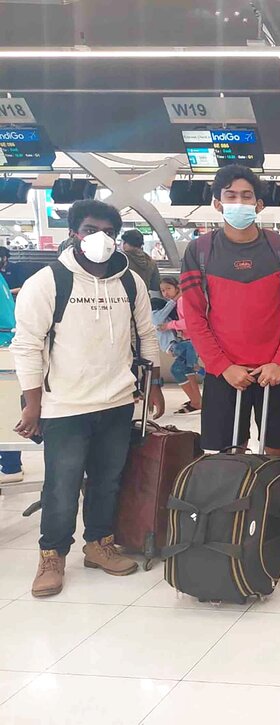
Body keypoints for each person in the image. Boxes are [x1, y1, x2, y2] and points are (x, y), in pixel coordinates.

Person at [11, 199, 165, 597]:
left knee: (107, 481)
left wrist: (154, 385)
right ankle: (52, 555)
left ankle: (99, 543)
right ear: (73, 234)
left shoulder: (130, 282)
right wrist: (32, 403)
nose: (101, 239)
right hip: (64, 404)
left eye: (109, 232)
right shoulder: (48, 281)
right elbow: (26, 345)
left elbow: (146, 335)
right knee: (61, 486)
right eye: (91, 230)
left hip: (117, 400)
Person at [179, 165, 280, 563]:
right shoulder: (200, 251)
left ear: (260, 203)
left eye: (246, 196)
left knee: (276, 451)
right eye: (230, 196)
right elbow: (194, 316)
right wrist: (221, 366)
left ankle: (276, 526)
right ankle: (229, 525)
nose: (239, 202)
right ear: (217, 203)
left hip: (274, 373)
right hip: (225, 374)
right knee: (229, 452)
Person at [156, 276, 204, 415]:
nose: (166, 293)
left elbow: (189, 322)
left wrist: (169, 325)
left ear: (177, 287)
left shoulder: (182, 301)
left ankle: (197, 402)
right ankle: (197, 400)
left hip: (191, 340)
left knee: (178, 370)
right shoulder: (180, 301)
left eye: (168, 288)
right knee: (188, 369)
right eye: (163, 290)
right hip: (190, 340)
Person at [0, 267, 22, 484]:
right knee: (6, 408)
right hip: (8, 348)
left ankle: (11, 466)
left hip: (4, 347)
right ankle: (11, 465)